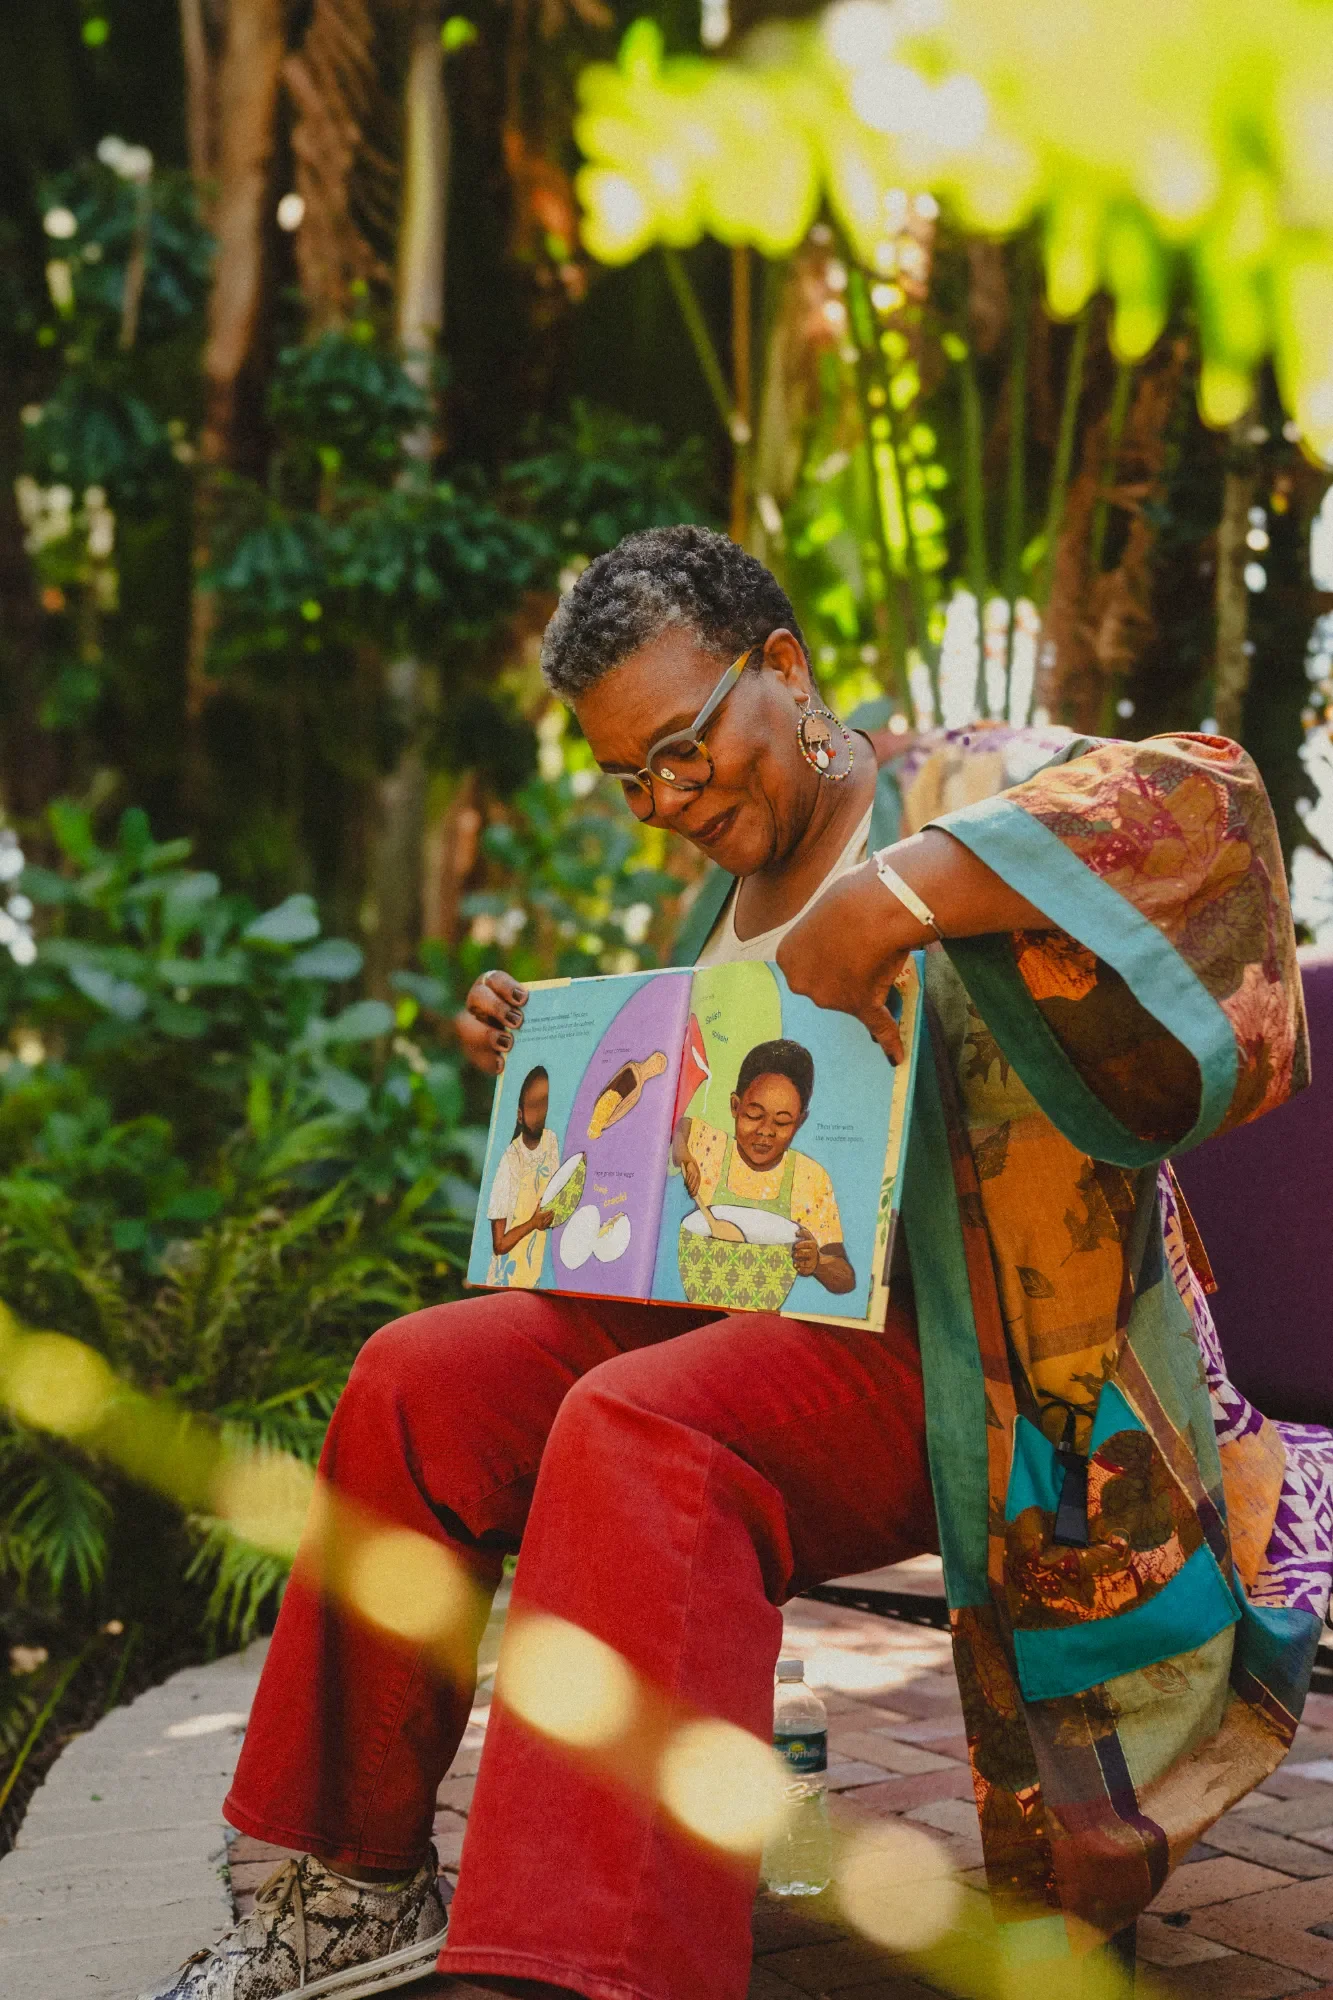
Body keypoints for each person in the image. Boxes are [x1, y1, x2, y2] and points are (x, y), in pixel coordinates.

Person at [141, 525, 1332, 2000]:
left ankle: (583, 1969)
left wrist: (890, 901)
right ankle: (355, 1884)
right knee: (418, 1381)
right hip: (747, 1314)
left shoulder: (957, 781)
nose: (668, 803)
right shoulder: (717, 874)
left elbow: (1205, 796)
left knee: (640, 1434)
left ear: (784, 667)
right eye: (631, 778)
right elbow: (691, 1166)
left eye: (686, 751)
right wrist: (553, 1056)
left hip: (982, 1357)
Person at [673, 1037, 855, 1294]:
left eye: (782, 1122)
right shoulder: (713, 1148)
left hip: (764, 1319)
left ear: (800, 1121)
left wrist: (819, 1263)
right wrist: (683, 1155)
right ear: (735, 1106)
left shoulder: (808, 1179)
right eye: (754, 1115)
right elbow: (677, 1128)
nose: (765, 1131)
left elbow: (845, 1278)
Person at [486, 1065, 558, 1287]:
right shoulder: (509, 1162)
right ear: (519, 1114)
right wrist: (533, 1223)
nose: (540, 1113)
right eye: (534, 1106)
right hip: (511, 1278)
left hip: (544, 1270)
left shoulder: (551, 1141)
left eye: (545, 1104)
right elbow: (500, 1246)